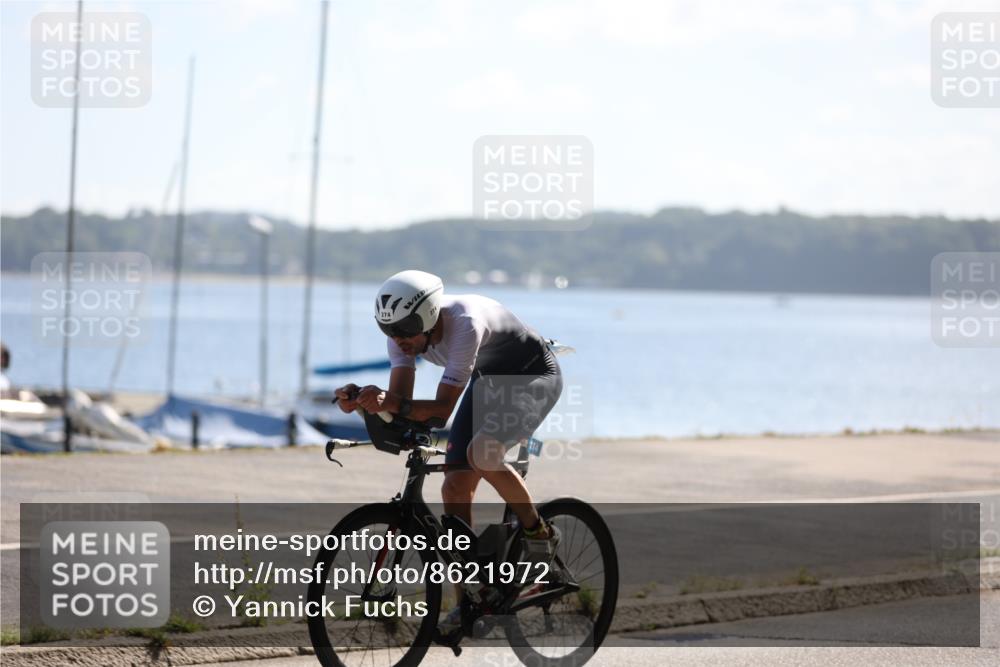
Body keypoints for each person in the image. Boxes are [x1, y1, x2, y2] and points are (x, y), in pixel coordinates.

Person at [335, 270, 563, 628]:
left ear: (426, 315)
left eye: (405, 329)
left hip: (531, 375)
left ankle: (539, 533)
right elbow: (401, 403)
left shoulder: (464, 325)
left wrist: (388, 402)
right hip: (487, 379)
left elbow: (441, 411)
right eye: (388, 330)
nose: (397, 339)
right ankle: (469, 604)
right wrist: (366, 401)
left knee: (482, 454)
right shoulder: (401, 335)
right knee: (454, 486)